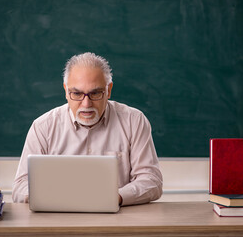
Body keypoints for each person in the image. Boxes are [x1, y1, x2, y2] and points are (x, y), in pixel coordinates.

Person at [12, 52, 163, 206]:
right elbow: (20, 187)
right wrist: (50, 197)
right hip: (58, 219)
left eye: (95, 93)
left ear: (108, 90)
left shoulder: (134, 121)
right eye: (76, 93)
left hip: (117, 219)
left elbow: (151, 180)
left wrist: (114, 197)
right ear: (66, 90)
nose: (86, 104)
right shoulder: (43, 127)